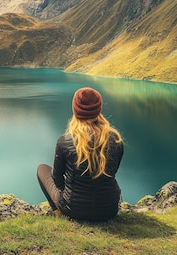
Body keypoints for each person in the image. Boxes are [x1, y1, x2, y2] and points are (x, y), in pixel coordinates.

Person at [37, 87, 124, 222]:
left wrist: (66, 194)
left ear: (75, 110)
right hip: (109, 210)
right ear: (99, 109)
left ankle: (58, 213)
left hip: (74, 210)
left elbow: (57, 177)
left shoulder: (65, 141)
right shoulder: (115, 139)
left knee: (42, 169)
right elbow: (113, 172)